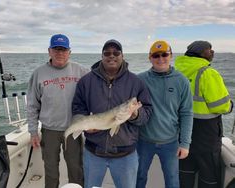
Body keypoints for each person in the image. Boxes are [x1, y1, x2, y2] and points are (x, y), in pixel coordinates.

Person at [72, 39, 153, 188]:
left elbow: (147, 113)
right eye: (107, 53)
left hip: (126, 154)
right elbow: (78, 108)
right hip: (93, 152)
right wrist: (85, 125)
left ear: (122, 55)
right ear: (101, 56)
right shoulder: (86, 81)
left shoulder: (136, 82)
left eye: (116, 52)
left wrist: (135, 114)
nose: (112, 56)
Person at [27, 34, 88, 188]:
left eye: (63, 49)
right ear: (49, 51)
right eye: (56, 49)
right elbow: (32, 105)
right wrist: (33, 131)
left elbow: (99, 86)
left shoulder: (81, 71)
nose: (60, 53)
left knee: (76, 170)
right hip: (49, 131)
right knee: (51, 172)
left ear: (70, 52)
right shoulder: (38, 73)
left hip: (73, 129)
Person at [174, 40, 233, 188]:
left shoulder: (176, 72)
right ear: (200, 53)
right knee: (209, 176)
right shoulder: (207, 73)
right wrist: (230, 106)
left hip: (182, 133)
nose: (212, 52)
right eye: (209, 49)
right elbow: (220, 106)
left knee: (184, 173)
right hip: (206, 135)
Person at [136, 40, 193, 188]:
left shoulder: (182, 81)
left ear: (171, 55)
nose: (161, 59)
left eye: (164, 54)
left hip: (171, 142)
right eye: (156, 55)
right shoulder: (140, 80)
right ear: (150, 58)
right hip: (142, 141)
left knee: (172, 181)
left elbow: (186, 113)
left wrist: (185, 143)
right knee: (138, 177)